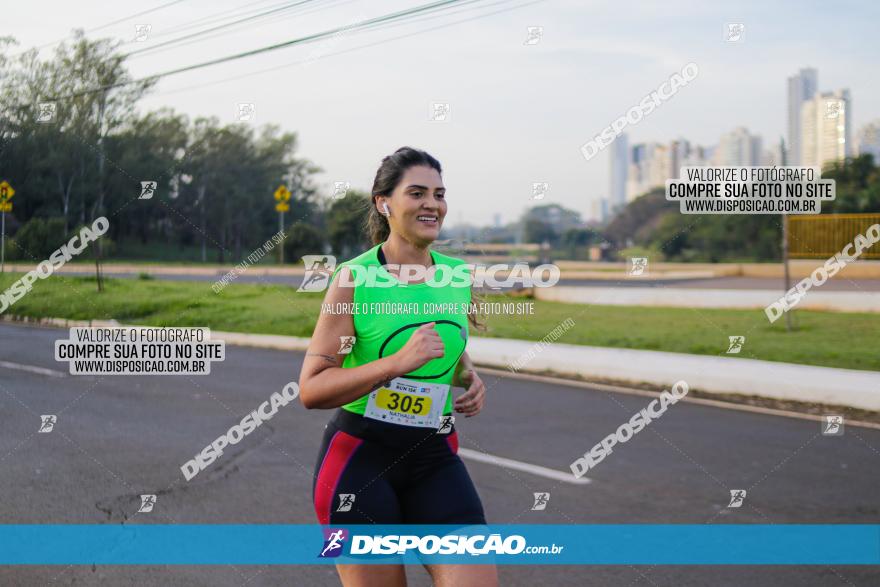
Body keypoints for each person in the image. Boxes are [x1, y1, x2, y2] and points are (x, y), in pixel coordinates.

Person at [299, 147, 497, 587]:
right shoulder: (354, 278)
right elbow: (312, 389)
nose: (433, 204)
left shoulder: (456, 275)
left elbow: (443, 342)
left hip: (435, 457)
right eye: (418, 192)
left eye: (440, 194)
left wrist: (467, 372)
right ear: (383, 203)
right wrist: (395, 364)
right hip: (359, 463)